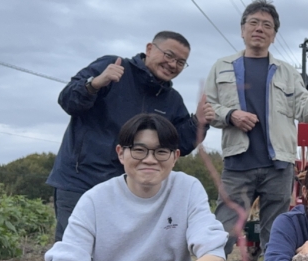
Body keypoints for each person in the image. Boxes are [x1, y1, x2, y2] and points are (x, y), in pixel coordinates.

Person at [30, 114, 227, 261]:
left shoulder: (187, 188)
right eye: (139, 150)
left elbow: (214, 255)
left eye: (161, 152)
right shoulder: (94, 201)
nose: (150, 160)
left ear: (175, 157)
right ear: (121, 153)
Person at [46, 31, 214, 242]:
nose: (173, 64)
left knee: (120, 251)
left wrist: (198, 122)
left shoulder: (171, 100)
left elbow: (178, 145)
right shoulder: (112, 67)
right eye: (169, 55)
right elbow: (68, 100)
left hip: (130, 189)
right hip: (81, 181)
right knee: (75, 248)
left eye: (181, 62)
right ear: (150, 49)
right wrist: (95, 83)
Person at [205, 0, 308, 259]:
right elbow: (208, 108)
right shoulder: (221, 67)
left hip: (278, 167)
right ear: (242, 30)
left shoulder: (287, 72)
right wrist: (231, 115)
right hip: (237, 165)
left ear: (274, 35)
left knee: (276, 237)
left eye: (267, 25)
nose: (259, 29)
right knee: (222, 233)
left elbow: (306, 110)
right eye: (253, 23)